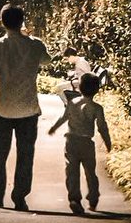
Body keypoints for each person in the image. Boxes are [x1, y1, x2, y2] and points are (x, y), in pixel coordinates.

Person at [0, 3, 51, 211]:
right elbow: (47, 61)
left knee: (0, 153)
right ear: (22, 21)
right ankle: (19, 196)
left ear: (2, 22)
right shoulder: (35, 45)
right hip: (28, 109)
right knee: (26, 154)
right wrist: (29, 36)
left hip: (3, 109)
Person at [48, 72, 112, 215]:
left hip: (71, 141)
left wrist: (54, 127)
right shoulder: (97, 108)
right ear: (97, 90)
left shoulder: (72, 103)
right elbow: (102, 127)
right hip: (87, 143)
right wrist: (108, 143)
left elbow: (63, 117)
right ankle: (93, 198)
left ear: (80, 88)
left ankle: (74, 199)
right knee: (90, 172)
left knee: (72, 171)